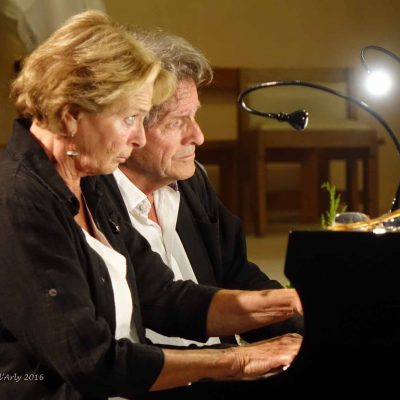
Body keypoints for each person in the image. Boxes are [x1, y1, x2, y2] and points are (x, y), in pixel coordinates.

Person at [0, 10, 302, 400]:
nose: (138, 139)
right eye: (130, 118)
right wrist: (237, 360)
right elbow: (89, 361)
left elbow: (163, 296)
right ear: (71, 114)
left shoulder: (88, 183)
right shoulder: (17, 202)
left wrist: (291, 303)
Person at [101, 28, 304, 347]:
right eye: (176, 122)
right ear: (130, 126)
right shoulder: (92, 201)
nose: (198, 136)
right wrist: (235, 362)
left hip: (218, 365)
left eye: (194, 116)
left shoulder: (191, 181)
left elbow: (236, 274)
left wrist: (304, 327)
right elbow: (158, 306)